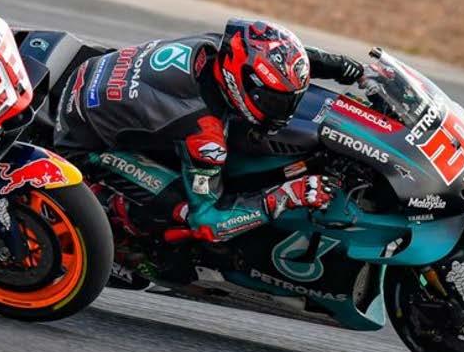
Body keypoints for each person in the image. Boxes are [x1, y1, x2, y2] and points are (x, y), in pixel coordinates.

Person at [54, 18, 365, 249]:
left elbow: (276, 51)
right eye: (274, 101)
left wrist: (342, 67)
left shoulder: (223, 47)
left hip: (94, 71)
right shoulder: (204, 133)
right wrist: (288, 195)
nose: (284, 111)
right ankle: (124, 225)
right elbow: (209, 224)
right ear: (240, 83)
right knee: (184, 208)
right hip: (84, 142)